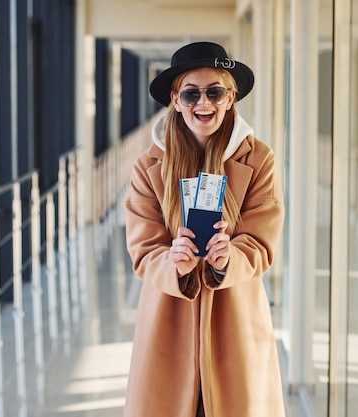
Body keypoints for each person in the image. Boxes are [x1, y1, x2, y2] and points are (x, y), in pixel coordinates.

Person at [124, 41, 286, 417]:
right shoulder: (147, 166)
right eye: (191, 93)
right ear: (175, 99)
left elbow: (262, 240)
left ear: (230, 97)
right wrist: (172, 264)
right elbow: (143, 249)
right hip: (169, 320)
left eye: (214, 92)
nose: (204, 103)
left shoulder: (258, 159)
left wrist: (231, 258)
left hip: (235, 318)